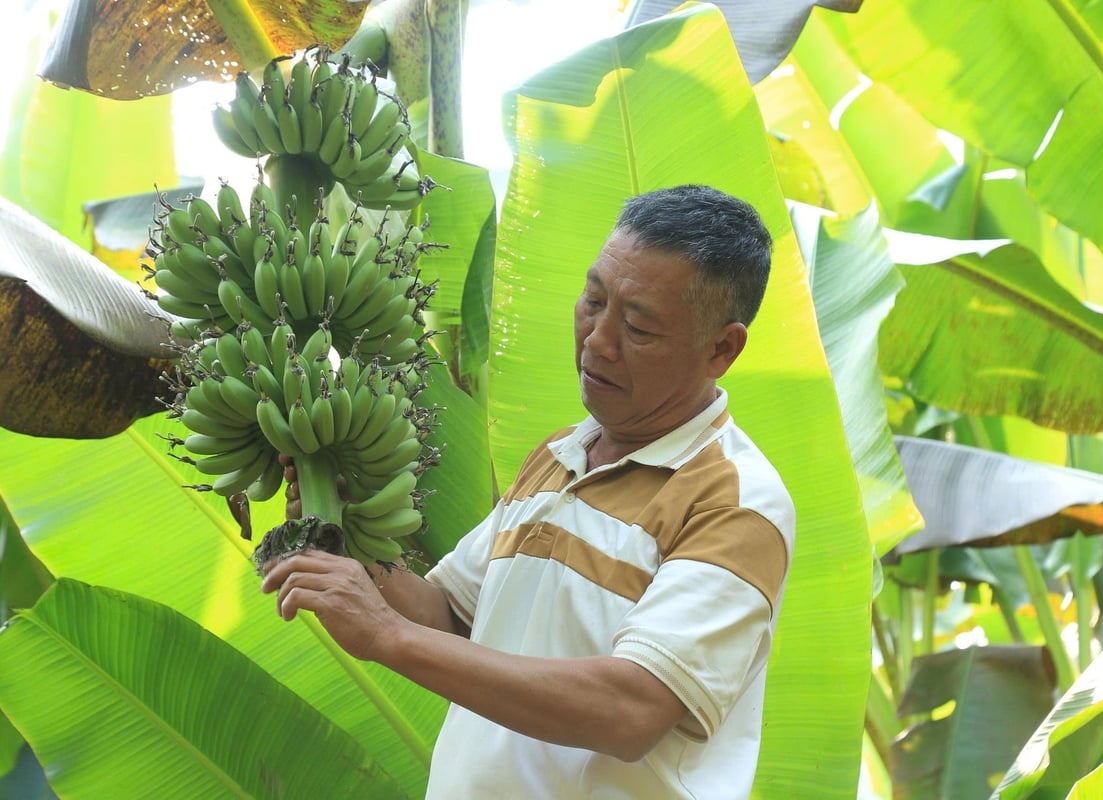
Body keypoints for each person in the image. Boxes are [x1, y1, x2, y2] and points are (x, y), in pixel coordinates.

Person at [261, 184, 796, 799]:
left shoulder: (736, 503)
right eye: (593, 301)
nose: (597, 341)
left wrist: (386, 635)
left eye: (638, 327)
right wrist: (351, 541)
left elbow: (632, 710)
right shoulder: (559, 455)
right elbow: (451, 621)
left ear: (722, 348)